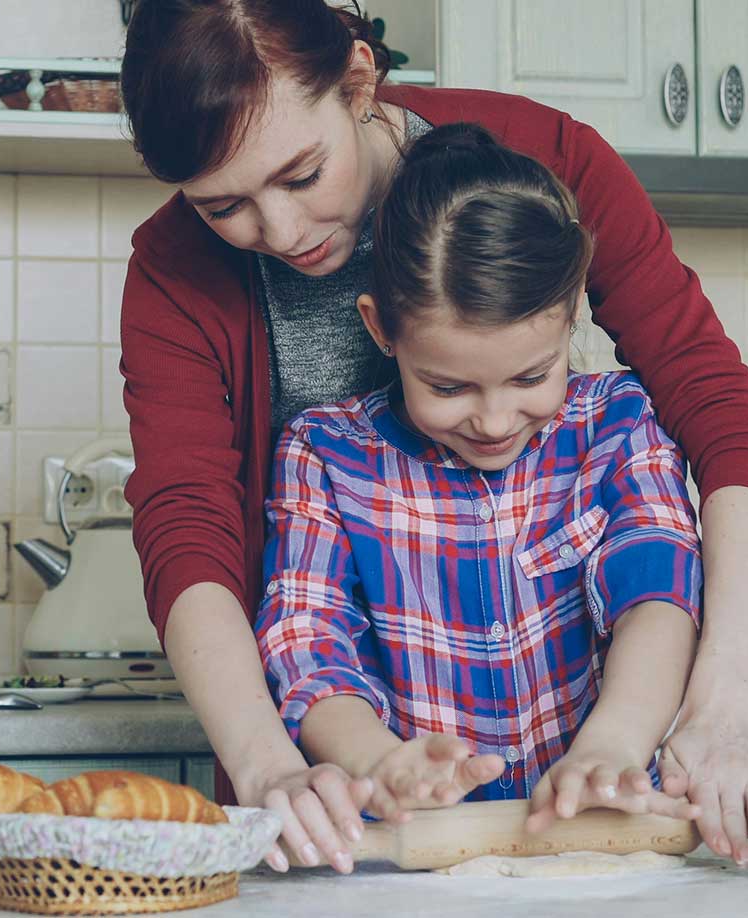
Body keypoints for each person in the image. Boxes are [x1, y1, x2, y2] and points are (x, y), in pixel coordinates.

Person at [117, 0, 748, 872]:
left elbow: (721, 418)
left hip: (583, 814)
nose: (280, 234)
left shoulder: (541, 163)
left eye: (301, 175)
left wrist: (723, 712)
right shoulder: (181, 278)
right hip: (344, 811)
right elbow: (189, 530)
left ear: (358, 83)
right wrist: (267, 762)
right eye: (224, 208)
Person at [256, 123, 704, 841]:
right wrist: (382, 762)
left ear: (570, 315)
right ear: (382, 330)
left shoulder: (618, 425)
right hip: (412, 859)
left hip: (603, 840)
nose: (495, 421)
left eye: (532, 376)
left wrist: (611, 746)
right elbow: (309, 646)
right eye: (448, 385)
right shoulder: (324, 455)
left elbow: (657, 596)